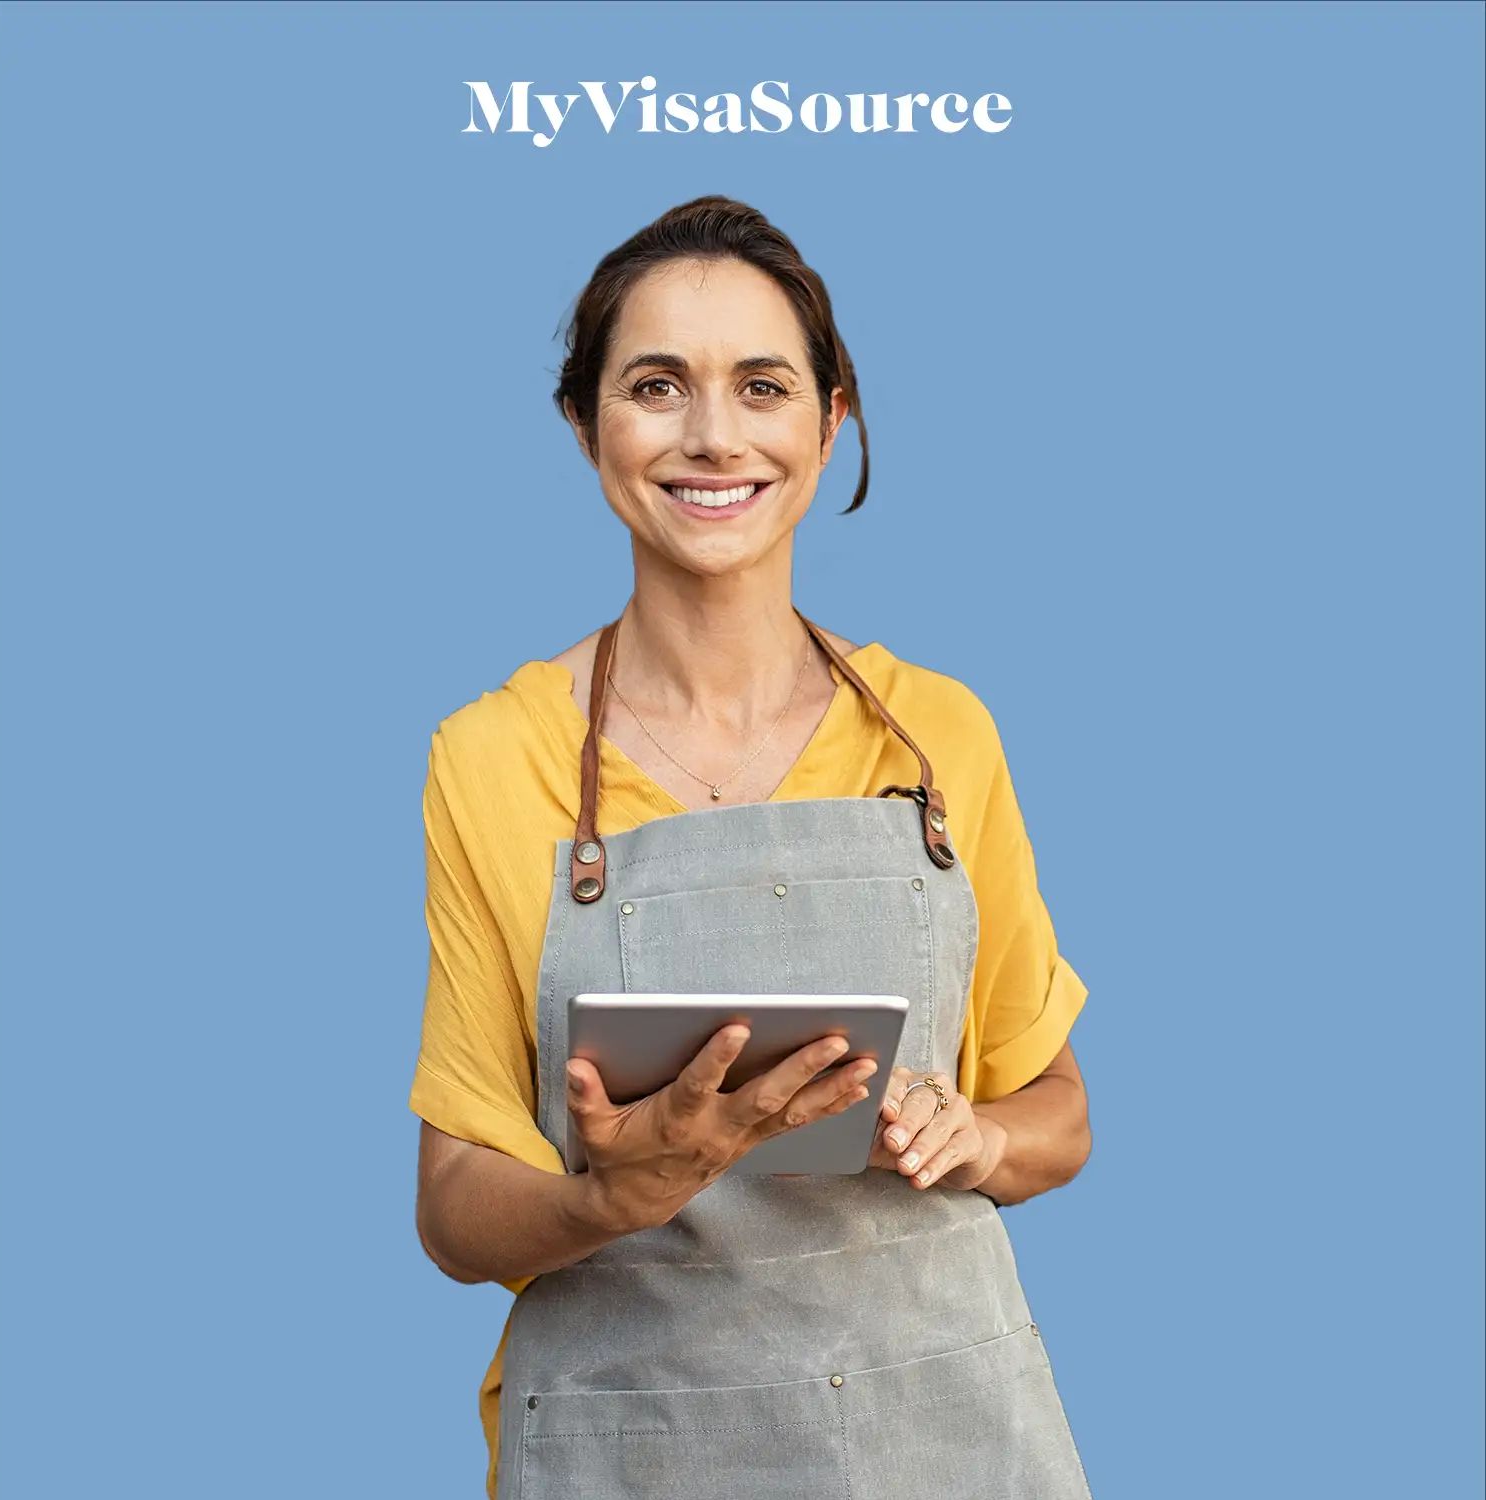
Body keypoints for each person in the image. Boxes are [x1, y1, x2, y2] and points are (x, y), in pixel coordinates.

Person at [409, 194, 1095, 1500]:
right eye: (656, 385)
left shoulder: (941, 737)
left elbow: (1057, 1112)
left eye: (762, 385)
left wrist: (979, 1142)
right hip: (631, 1447)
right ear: (584, 425)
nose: (713, 435)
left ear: (831, 423)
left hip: (939, 1436)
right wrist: (612, 1196)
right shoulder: (492, 758)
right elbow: (451, 1204)